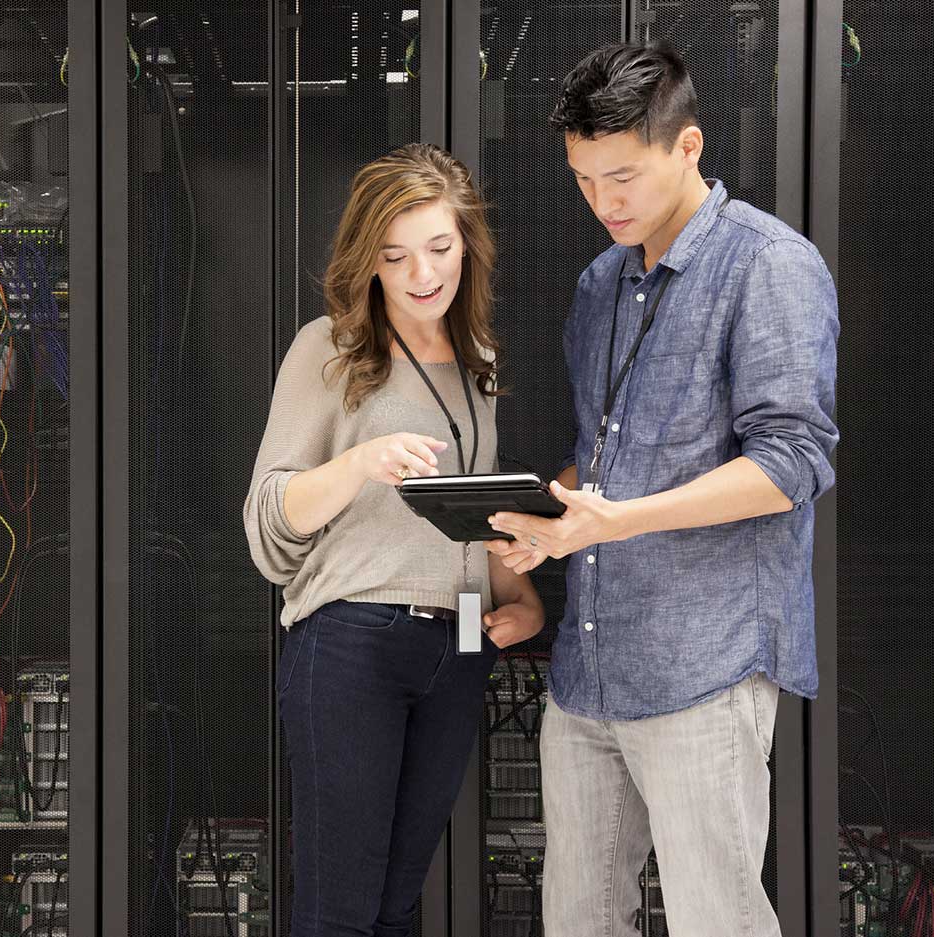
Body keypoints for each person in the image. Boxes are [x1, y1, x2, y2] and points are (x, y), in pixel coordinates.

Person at [484, 43, 839, 936]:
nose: (603, 202)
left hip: (704, 669)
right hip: (588, 675)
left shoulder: (770, 266)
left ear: (689, 147)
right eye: (582, 178)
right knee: (577, 922)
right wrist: (549, 519)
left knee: (717, 922)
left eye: (622, 176)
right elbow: (602, 457)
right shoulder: (601, 284)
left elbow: (792, 462)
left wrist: (618, 520)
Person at [244, 142, 545, 937]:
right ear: (367, 259)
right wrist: (359, 464)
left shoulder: (479, 361)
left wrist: (520, 600)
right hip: (352, 642)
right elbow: (268, 519)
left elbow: (466, 530)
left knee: (400, 905)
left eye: (440, 248)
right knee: (338, 912)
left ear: (467, 245)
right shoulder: (330, 348)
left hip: (460, 649)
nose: (422, 274)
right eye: (396, 254)